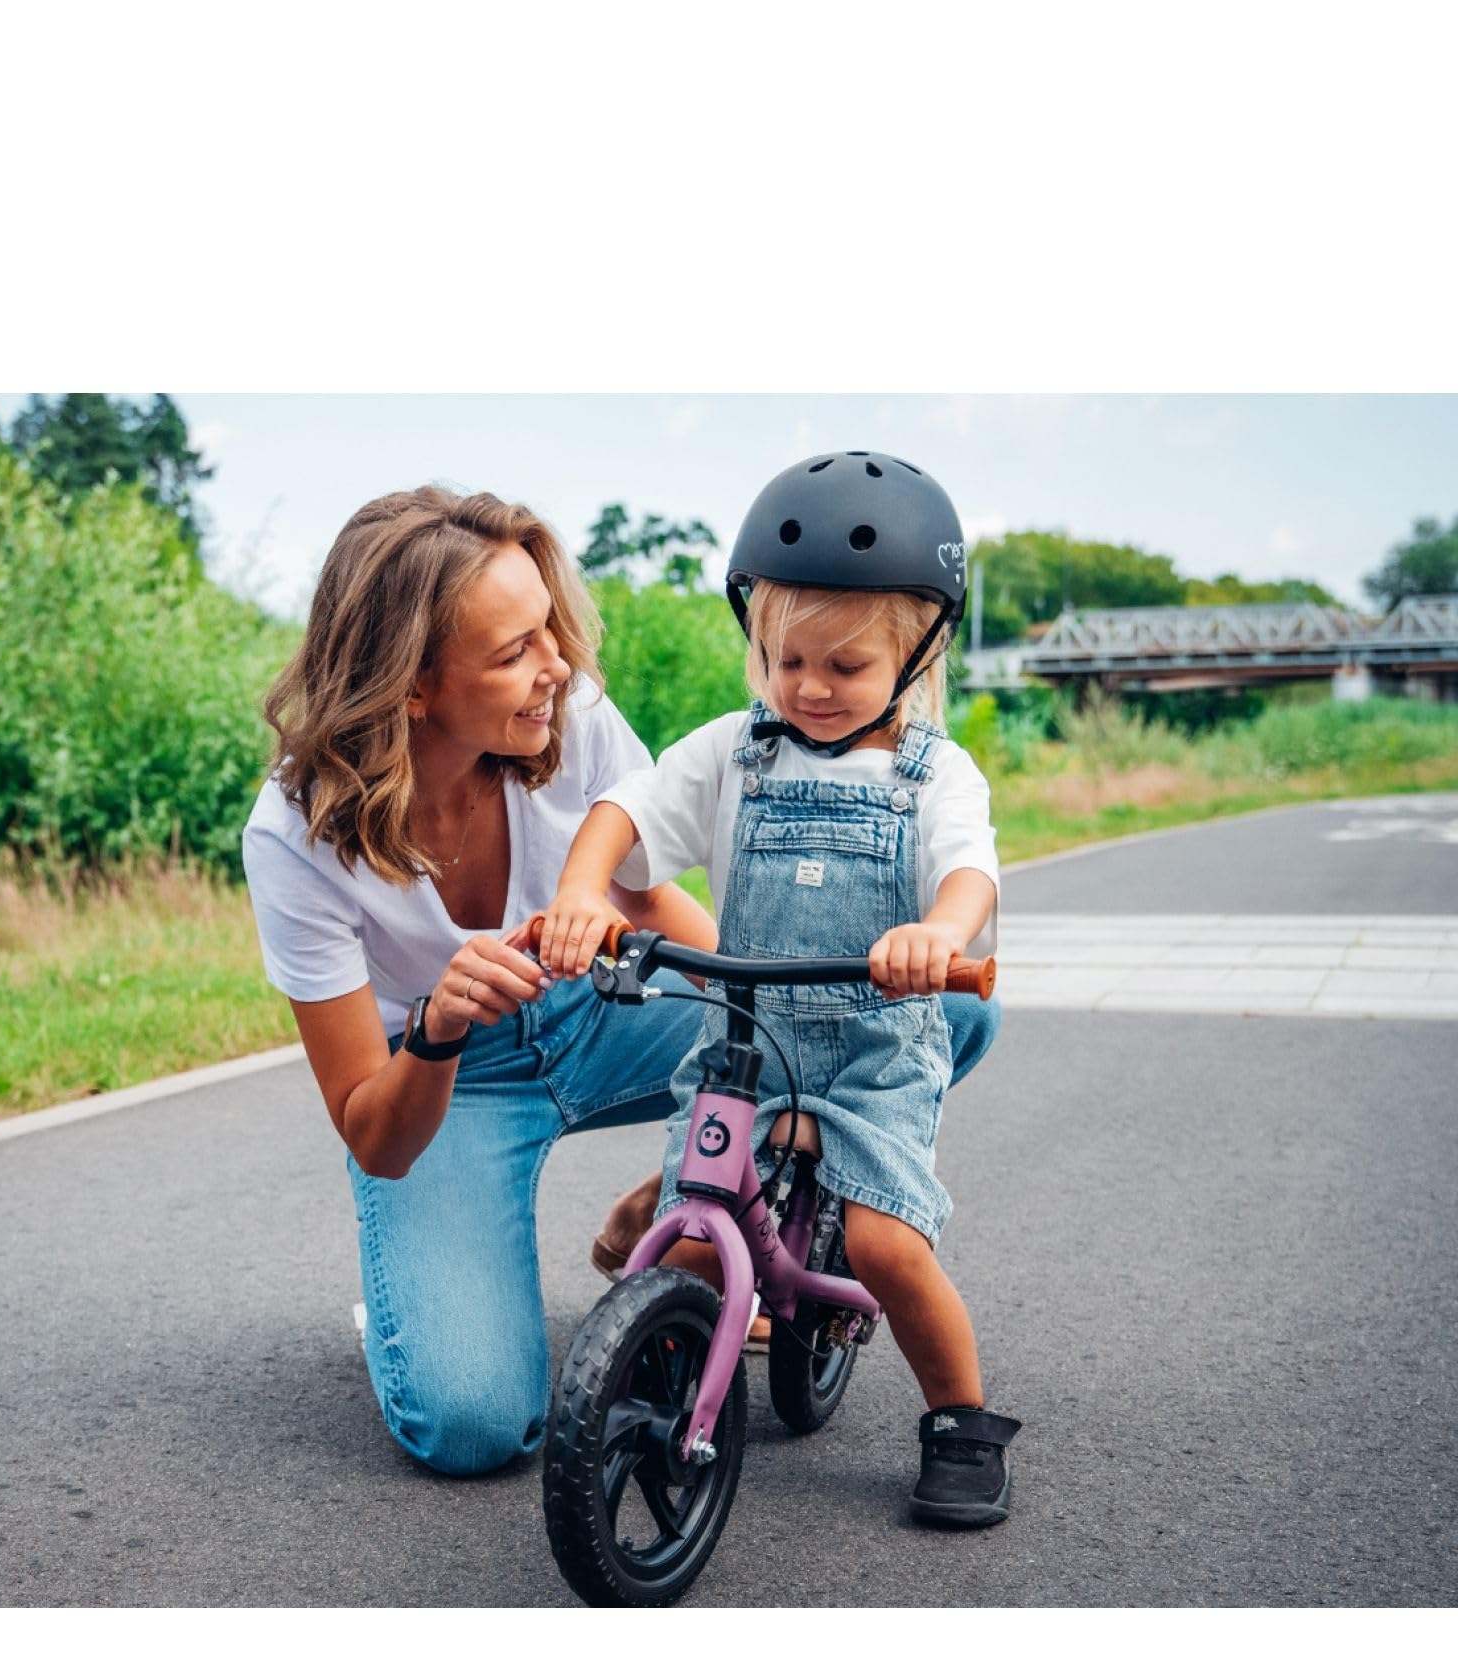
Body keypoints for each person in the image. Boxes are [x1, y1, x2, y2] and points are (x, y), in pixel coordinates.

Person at [244, 483, 999, 1482]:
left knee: (932, 1016)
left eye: (550, 630)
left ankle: (718, 1177)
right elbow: (373, 1134)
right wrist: (435, 1025)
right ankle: (433, 1296)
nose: (556, 666)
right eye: (513, 651)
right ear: (412, 684)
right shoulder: (294, 835)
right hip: (447, 1078)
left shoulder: (567, 716)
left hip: (600, 1006)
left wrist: (766, 1034)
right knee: (470, 1425)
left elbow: (646, 898)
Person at [534, 451, 1022, 1526]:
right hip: (743, 1044)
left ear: (918, 652)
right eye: (780, 657)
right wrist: (579, 892)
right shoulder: (735, 752)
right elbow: (626, 810)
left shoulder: (933, 775)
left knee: (887, 1245)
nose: (807, 686)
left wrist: (936, 933)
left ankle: (959, 1420)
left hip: (874, 1050)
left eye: (844, 665)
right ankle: (653, 1377)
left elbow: (969, 872)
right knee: (695, 1241)